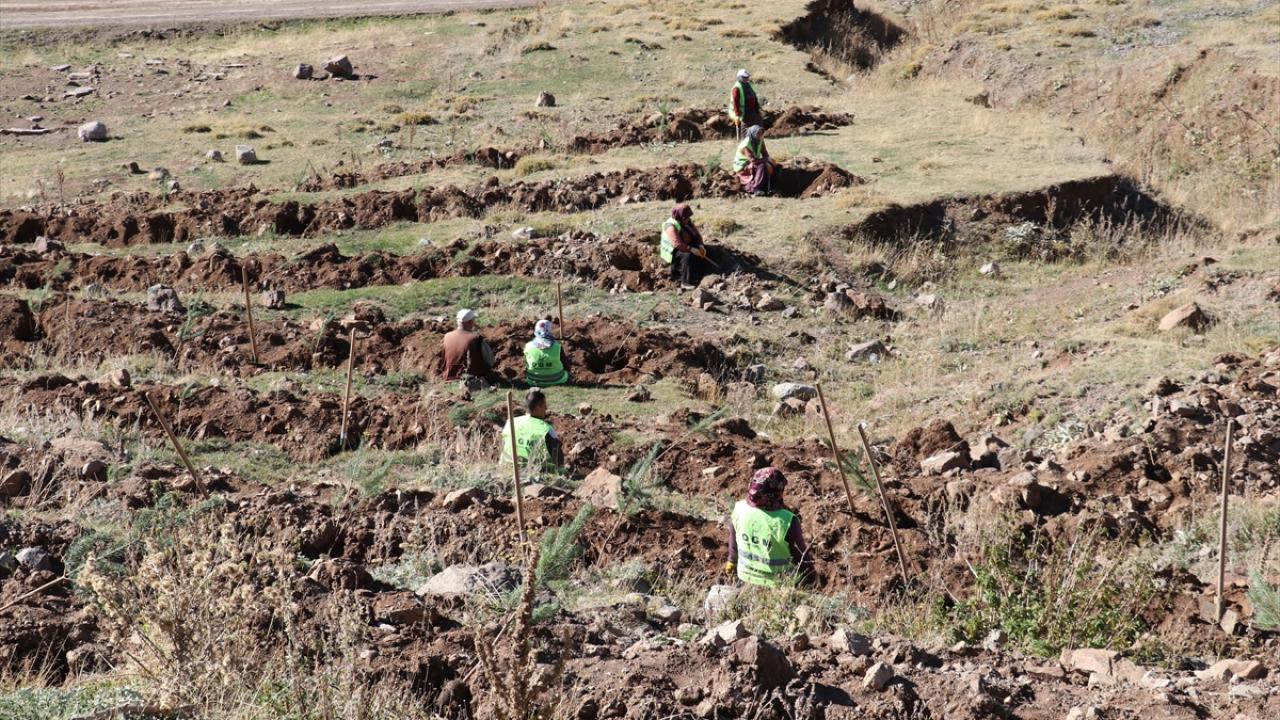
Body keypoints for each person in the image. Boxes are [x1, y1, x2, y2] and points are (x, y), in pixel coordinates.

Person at [726, 467, 815, 587]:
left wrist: (731, 561)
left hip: (745, 579)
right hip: (780, 584)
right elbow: (801, 557)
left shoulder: (739, 509)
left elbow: (733, 544)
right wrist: (813, 578)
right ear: (777, 492)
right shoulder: (787, 520)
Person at [500, 389, 564, 469]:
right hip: (535, 470)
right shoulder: (546, 429)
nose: (546, 409)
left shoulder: (510, 423)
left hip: (507, 466)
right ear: (538, 407)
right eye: (544, 406)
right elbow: (558, 456)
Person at [659, 203, 711, 288]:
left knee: (707, 250)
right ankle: (685, 282)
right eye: (685, 217)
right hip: (674, 250)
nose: (688, 219)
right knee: (688, 256)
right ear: (679, 217)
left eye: (688, 217)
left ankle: (701, 272)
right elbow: (678, 244)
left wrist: (701, 246)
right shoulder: (670, 226)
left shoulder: (687, 222)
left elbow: (697, 235)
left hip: (687, 245)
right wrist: (692, 250)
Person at [440, 308, 496, 383]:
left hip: (449, 378)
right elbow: (490, 361)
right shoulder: (476, 339)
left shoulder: (447, 336)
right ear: (470, 322)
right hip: (471, 380)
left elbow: (444, 358)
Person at [523, 318, 570, 386]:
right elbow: (566, 366)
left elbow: (526, 363)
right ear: (550, 330)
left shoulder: (528, 346)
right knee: (568, 375)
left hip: (533, 380)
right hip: (557, 380)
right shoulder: (557, 347)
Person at [734, 125, 775, 196]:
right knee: (761, 166)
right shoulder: (745, 145)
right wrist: (766, 160)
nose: (760, 135)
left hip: (753, 162)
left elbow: (765, 153)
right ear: (752, 133)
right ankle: (754, 188)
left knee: (770, 164)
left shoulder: (760, 140)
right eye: (758, 133)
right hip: (743, 165)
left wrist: (768, 161)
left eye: (761, 133)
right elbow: (753, 160)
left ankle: (768, 187)